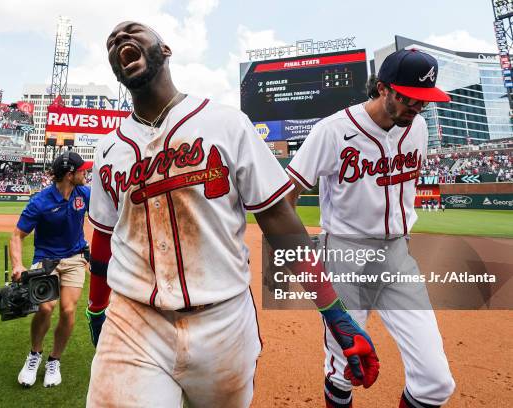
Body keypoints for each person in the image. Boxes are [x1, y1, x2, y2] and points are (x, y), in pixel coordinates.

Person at [85, 21, 379, 407]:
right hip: (134, 320)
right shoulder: (108, 150)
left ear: (166, 49)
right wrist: (96, 306)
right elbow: (104, 238)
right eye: (112, 41)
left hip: (223, 321)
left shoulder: (225, 123)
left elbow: (278, 220)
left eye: (133, 31)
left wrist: (333, 310)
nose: (120, 38)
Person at [286, 49, 456, 408]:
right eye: (411, 98)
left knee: (435, 382)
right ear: (382, 88)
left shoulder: (419, 127)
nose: (419, 107)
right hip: (345, 255)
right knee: (345, 372)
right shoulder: (331, 132)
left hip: (397, 255)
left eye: (426, 100)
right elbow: (285, 200)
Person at [10, 150, 92, 388]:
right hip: (46, 260)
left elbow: (107, 210)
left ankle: (54, 360)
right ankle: (34, 355)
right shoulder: (40, 201)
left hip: (75, 258)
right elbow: (17, 235)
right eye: (82, 170)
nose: (86, 173)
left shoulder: (83, 193)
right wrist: (17, 264)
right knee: (45, 307)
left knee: (68, 310)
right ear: (69, 174)